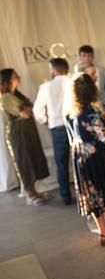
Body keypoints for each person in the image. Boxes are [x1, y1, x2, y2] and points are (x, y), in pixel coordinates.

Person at [65, 73, 105, 253]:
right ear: (93, 90)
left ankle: (103, 232)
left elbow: (72, 139)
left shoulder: (69, 114)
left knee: (94, 197)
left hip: (82, 161)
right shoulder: (95, 113)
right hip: (101, 160)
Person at [0, 69, 49, 205]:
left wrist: (29, 109)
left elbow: (30, 108)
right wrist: (29, 109)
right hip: (18, 134)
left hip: (27, 131)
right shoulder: (6, 97)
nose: (19, 77)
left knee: (32, 159)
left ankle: (34, 192)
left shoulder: (16, 94)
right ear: (8, 80)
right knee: (24, 161)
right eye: (16, 76)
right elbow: (26, 112)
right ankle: (30, 194)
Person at [33, 58, 72, 204]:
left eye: (50, 69)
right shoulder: (73, 82)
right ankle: (87, 192)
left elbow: (37, 111)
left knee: (61, 163)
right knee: (81, 159)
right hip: (75, 125)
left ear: (55, 70)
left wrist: (46, 121)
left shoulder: (46, 87)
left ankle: (66, 196)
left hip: (58, 127)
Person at [74, 45, 105, 115]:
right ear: (80, 57)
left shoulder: (100, 70)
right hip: (86, 109)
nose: (87, 59)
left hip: (103, 106)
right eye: (84, 56)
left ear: (93, 56)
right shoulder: (77, 73)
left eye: (89, 56)